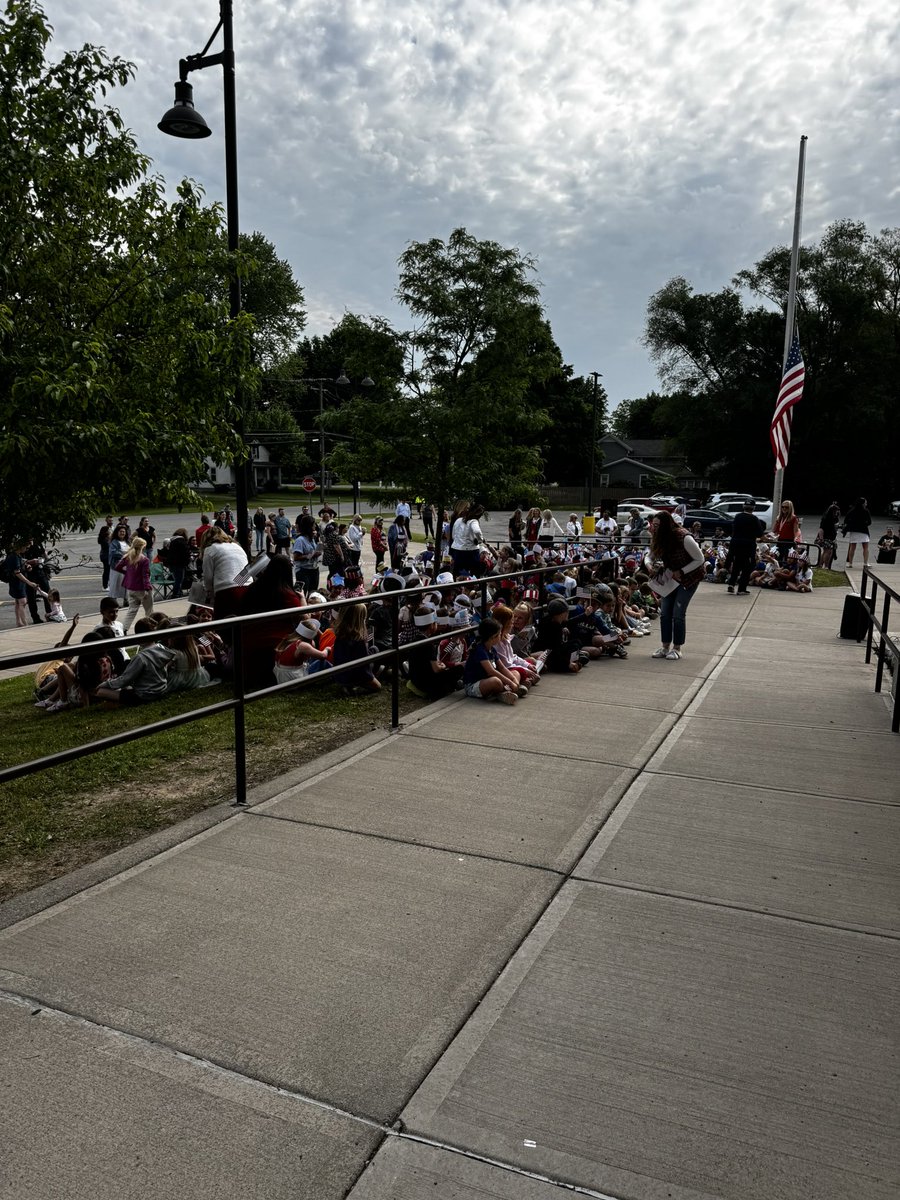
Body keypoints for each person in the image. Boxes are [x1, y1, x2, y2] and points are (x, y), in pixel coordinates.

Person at [648, 510, 705, 660]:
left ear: (666, 525)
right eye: (653, 525)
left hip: (689, 578)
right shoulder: (657, 537)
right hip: (670, 578)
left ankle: (677, 647)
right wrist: (649, 565)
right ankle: (665, 646)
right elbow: (649, 556)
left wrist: (682, 571)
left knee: (678, 613)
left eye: (657, 525)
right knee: (665, 612)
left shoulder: (683, 536)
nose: (654, 528)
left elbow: (700, 559)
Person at [462, 617, 521, 703]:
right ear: (493, 637)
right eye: (499, 634)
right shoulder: (480, 650)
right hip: (474, 684)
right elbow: (491, 671)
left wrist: (513, 680)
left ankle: (506, 691)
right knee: (496, 681)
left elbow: (502, 668)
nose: (501, 636)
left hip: (488, 679)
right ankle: (504, 692)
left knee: (516, 673)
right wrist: (511, 683)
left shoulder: (492, 649)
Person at [331, 602, 381, 695]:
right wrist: (370, 677)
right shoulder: (359, 639)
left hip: (340, 675)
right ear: (359, 619)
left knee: (373, 650)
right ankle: (355, 687)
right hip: (356, 674)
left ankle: (347, 685)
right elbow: (362, 664)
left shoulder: (340, 634)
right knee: (378, 686)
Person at [198, 527, 249, 619]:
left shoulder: (210, 549)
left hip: (226, 590)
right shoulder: (237, 546)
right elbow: (244, 569)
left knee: (223, 622)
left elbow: (208, 578)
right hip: (247, 587)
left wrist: (209, 592)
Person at [726, 499, 765, 595]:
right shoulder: (754, 519)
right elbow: (760, 534)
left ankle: (731, 584)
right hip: (748, 546)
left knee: (736, 565)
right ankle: (741, 588)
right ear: (754, 508)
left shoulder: (738, 517)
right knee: (748, 567)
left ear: (744, 507)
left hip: (736, 544)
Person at [115, 537, 153, 632]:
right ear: (142, 547)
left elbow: (118, 567)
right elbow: (145, 576)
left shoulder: (128, 556)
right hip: (142, 589)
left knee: (131, 611)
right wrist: (147, 589)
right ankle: (150, 629)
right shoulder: (144, 560)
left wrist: (127, 574)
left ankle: (124, 629)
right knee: (149, 611)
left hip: (131, 588)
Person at [450, 503, 486, 576]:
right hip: (471, 551)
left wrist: (458, 541)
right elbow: (477, 531)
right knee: (474, 574)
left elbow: (453, 535)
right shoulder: (473, 521)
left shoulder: (459, 520)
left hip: (457, 550)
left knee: (458, 574)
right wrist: (480, 540)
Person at [292, 513, 321, 595]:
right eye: (313, 524)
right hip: (303, 571)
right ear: (308, 526)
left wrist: (318, 551)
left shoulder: (311, 538)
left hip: (314, 569)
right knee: (301, 594)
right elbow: (296, 557)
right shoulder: (300, 540)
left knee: (313, 593)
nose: (315, 526)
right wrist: (310, 556)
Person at [843, 497, 872, 568]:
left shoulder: (852, 510)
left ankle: (850, 563)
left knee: (852, 547)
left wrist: (851, 524)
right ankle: (865, 563)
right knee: (865, 547)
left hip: (854, 531)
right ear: (862, 503)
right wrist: (864, 524)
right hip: (863, 530)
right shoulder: (866, 511)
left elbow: (846, 520)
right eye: (865, 502)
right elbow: (870, 522)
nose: (866, 504)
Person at [167, 527, 191, 598]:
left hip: (172, 563)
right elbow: (186, 553)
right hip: (180, 564)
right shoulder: (182, 541)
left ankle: (178, 592)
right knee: (179, 579)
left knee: (176, 579)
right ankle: (176, 593)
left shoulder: (172, 541)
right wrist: (187, 562)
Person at [818, 500, 842, 569]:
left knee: (826, 551)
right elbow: (821, 529)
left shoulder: (833, 518)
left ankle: (820, 565)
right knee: (828, 551)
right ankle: (826, 566)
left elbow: (834, 526)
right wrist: (821, 538)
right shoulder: (826, 518)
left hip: (831, 537)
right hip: (826, 537)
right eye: (836, 511)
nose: (837, 513)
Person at [97, 515, 115, 590]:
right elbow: (108, 548)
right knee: (107, 571)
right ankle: (105, 586)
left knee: (109, 571)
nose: (109, 532)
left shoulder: (107, 539)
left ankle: (108, 584)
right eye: (108, 531)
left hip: (107, 556)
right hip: (106, 556)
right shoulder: (105, 541)